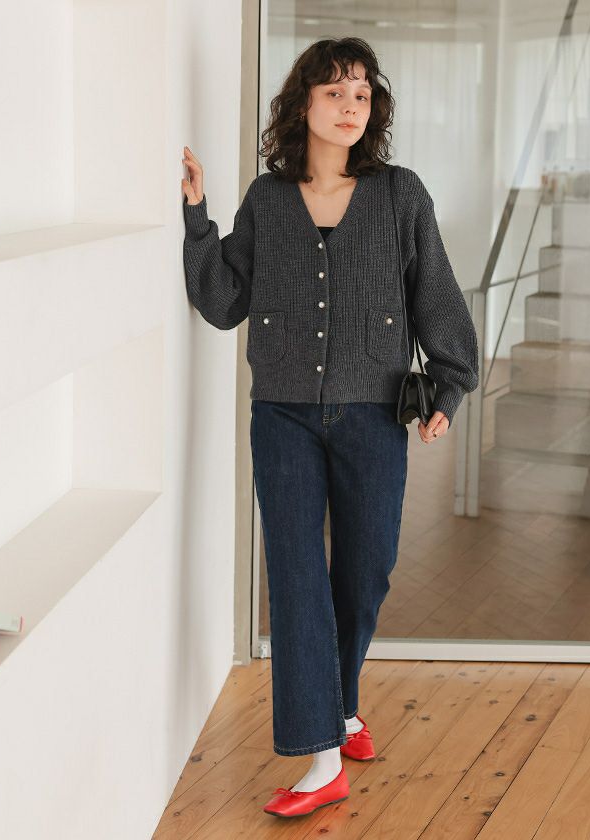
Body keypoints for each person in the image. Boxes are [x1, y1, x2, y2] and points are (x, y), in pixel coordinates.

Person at [181, 36, 479, 819]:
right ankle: (321, 758)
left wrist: (449, 388)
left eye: (362, 94)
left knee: (365, 571)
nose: (351, 107)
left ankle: (341, 705)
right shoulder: (267, 199)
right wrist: (197, 217)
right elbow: (224, 302)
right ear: (303, 104)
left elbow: (437, 295)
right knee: (296, 579)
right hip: (281, 417)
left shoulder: (400, 195)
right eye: (334, 92)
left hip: (373, 416)